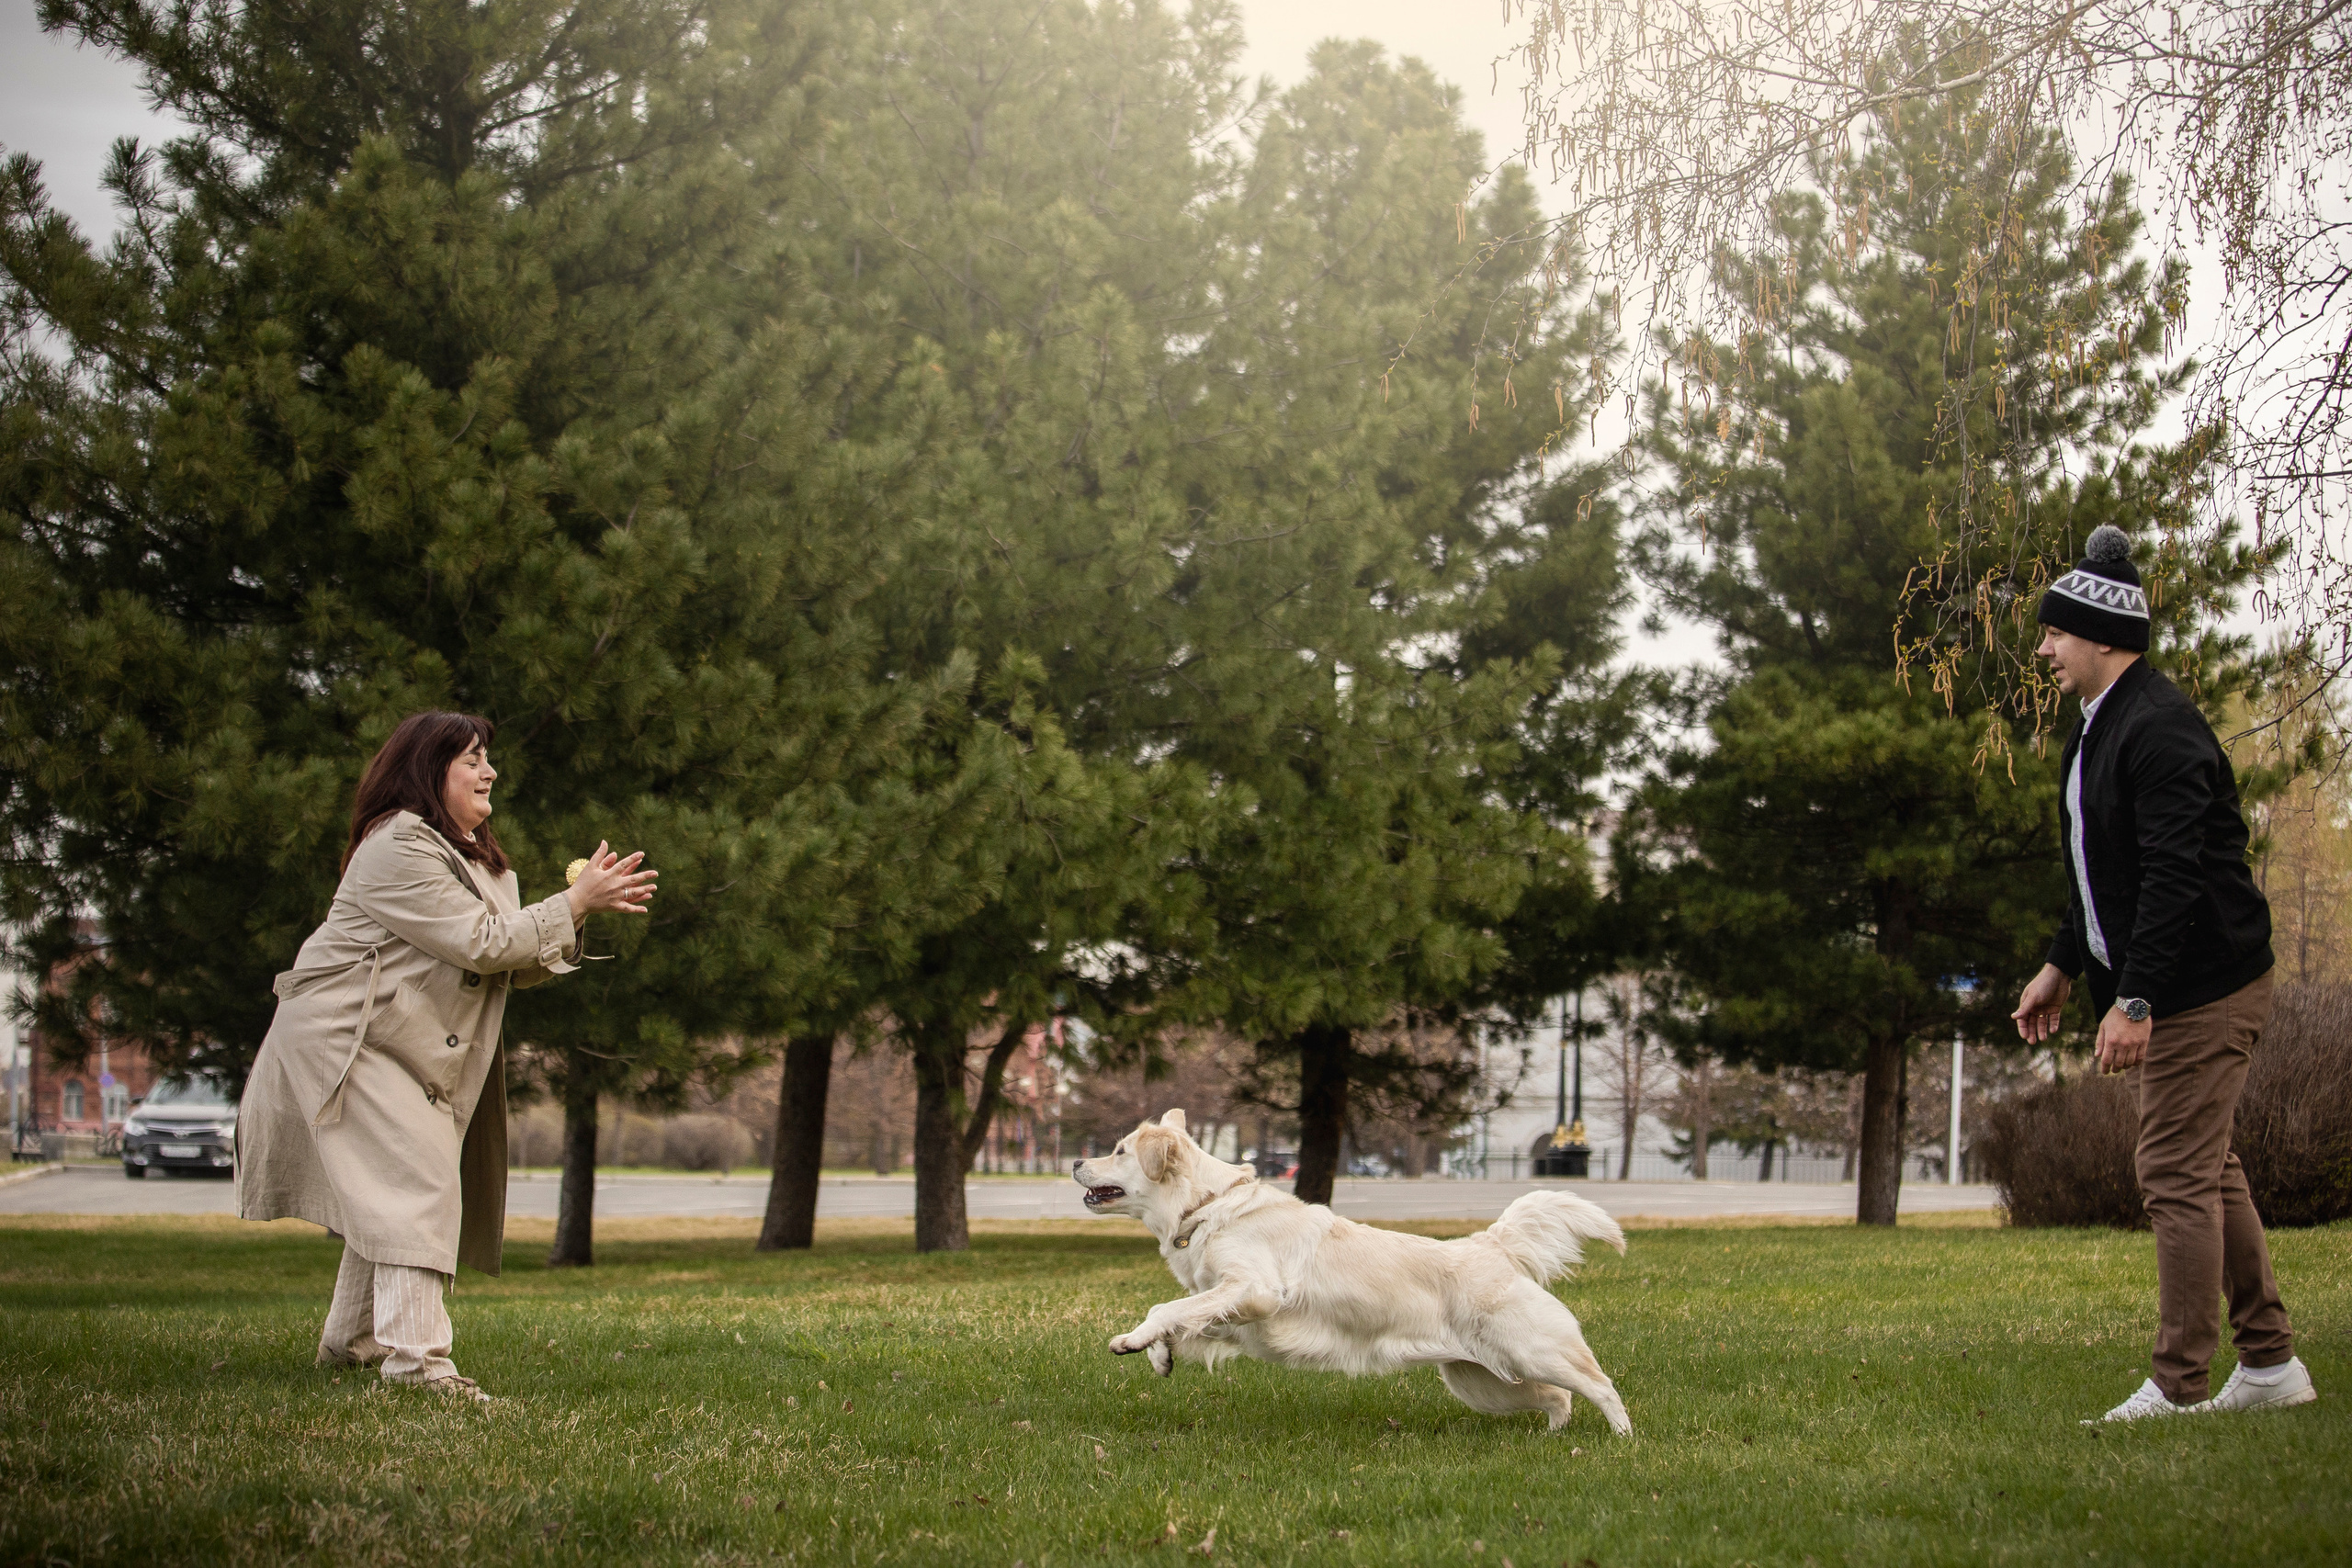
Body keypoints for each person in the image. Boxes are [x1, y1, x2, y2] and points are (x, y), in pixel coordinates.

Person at [236, 712, 656, 1399]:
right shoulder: (397, 843)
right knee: (414, 1181)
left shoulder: (471, 856)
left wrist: (577, 912)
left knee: (397, 1190)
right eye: (471, 759)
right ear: (428, 772)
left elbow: (510, 962)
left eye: (486, 756)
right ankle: (419, 1365)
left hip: (400, 1046)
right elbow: (484, 943)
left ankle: (353, 1344)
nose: (489, 771)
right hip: (348, 1039)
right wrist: (573, 900)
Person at [2010, 526, 2314, 1423]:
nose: (2042, 648)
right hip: (2176, 982)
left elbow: (2175, 876)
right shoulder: (2102, 726)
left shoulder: (2159, 729)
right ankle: (2268, 1365)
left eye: (2054, 632)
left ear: (2103, 637)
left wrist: (2135, 997)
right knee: (2205, 1168)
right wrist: (2063, 963)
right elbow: (2104, 869)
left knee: (2172, 1171)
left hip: (2203, 987)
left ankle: (2179, 1384)